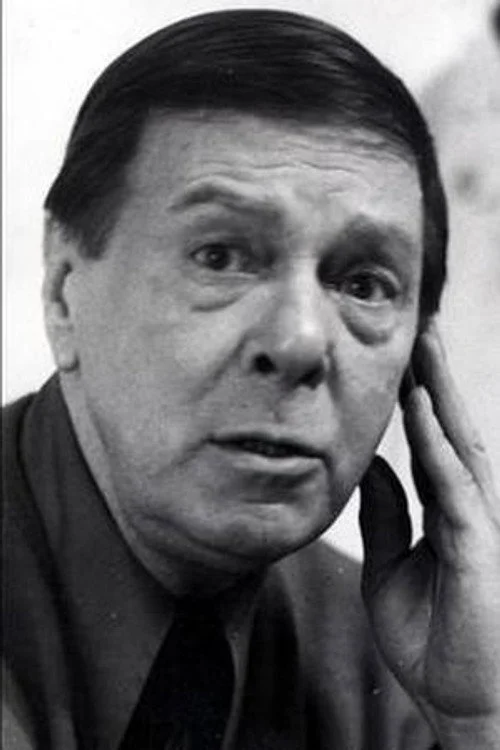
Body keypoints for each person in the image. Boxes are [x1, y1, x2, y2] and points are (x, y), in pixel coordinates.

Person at [2, 9, 499, 750]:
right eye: (220, 257)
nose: (299, 342)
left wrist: (477, 724)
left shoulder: (401, 672)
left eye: (364, 284)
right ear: (62, 290)